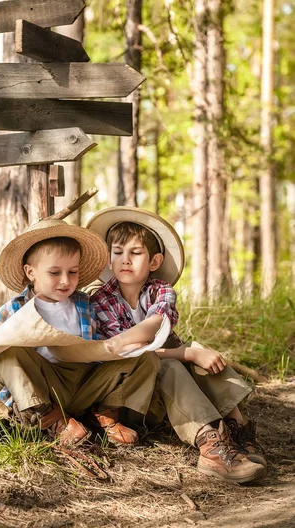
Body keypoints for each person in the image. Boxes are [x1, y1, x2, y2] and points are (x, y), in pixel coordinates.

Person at [88, 206, 267, 484]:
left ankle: (237, 430)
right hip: (131, 397)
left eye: (136, 253)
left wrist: (193, 352)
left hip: (159, 386)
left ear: (155, 261)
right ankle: (210, 446)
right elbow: (132, 354)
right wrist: (186, 352)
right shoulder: (101, 300)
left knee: (199, 356)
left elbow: (156, 327)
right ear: (109, 259)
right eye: (118, 252)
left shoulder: (162, 290)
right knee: (173, 361)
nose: (125, 260)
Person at [0, 218, 160, 447]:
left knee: (145, 357)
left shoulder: (85, 304)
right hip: (46, 387)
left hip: (87, 383)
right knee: (7, 349)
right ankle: (50, 419)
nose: (65, 281)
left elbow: (108, 342)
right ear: (31, 272)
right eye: (54, 273)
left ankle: (105, 415)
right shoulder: (15, 309)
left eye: (72, 272)